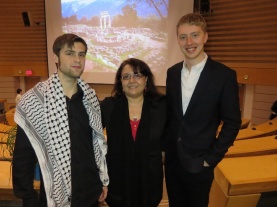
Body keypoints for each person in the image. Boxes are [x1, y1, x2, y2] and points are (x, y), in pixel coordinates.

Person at [12, 33, 109, 207]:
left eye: (81, 54)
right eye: (70, 53)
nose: (77, 59)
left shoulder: (91, 99)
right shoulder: (35, 101)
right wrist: (27, 197)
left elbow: (94, 146)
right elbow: (23, 156)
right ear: (56, 57)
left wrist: (101, 180)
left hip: (90, 194)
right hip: (53, 196)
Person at [164, 13, 241, 207]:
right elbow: (173, 117)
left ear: (205, 37)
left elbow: (232, 122)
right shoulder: (172, 73)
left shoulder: (224, 76)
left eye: (195, 35)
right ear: (178, 40)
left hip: (200, 164)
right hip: (173, 163)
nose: (189, 42)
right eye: (183, 37)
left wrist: (210, 159)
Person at [100, 58, 166, 207]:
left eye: (137, 75)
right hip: (118, 181)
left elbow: (167, 139)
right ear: (120, 82)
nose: (132, 80)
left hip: (149, 180)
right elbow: (92, 137)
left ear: (146, 79)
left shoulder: (162, 106)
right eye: (126, 76)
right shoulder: (109, 106)